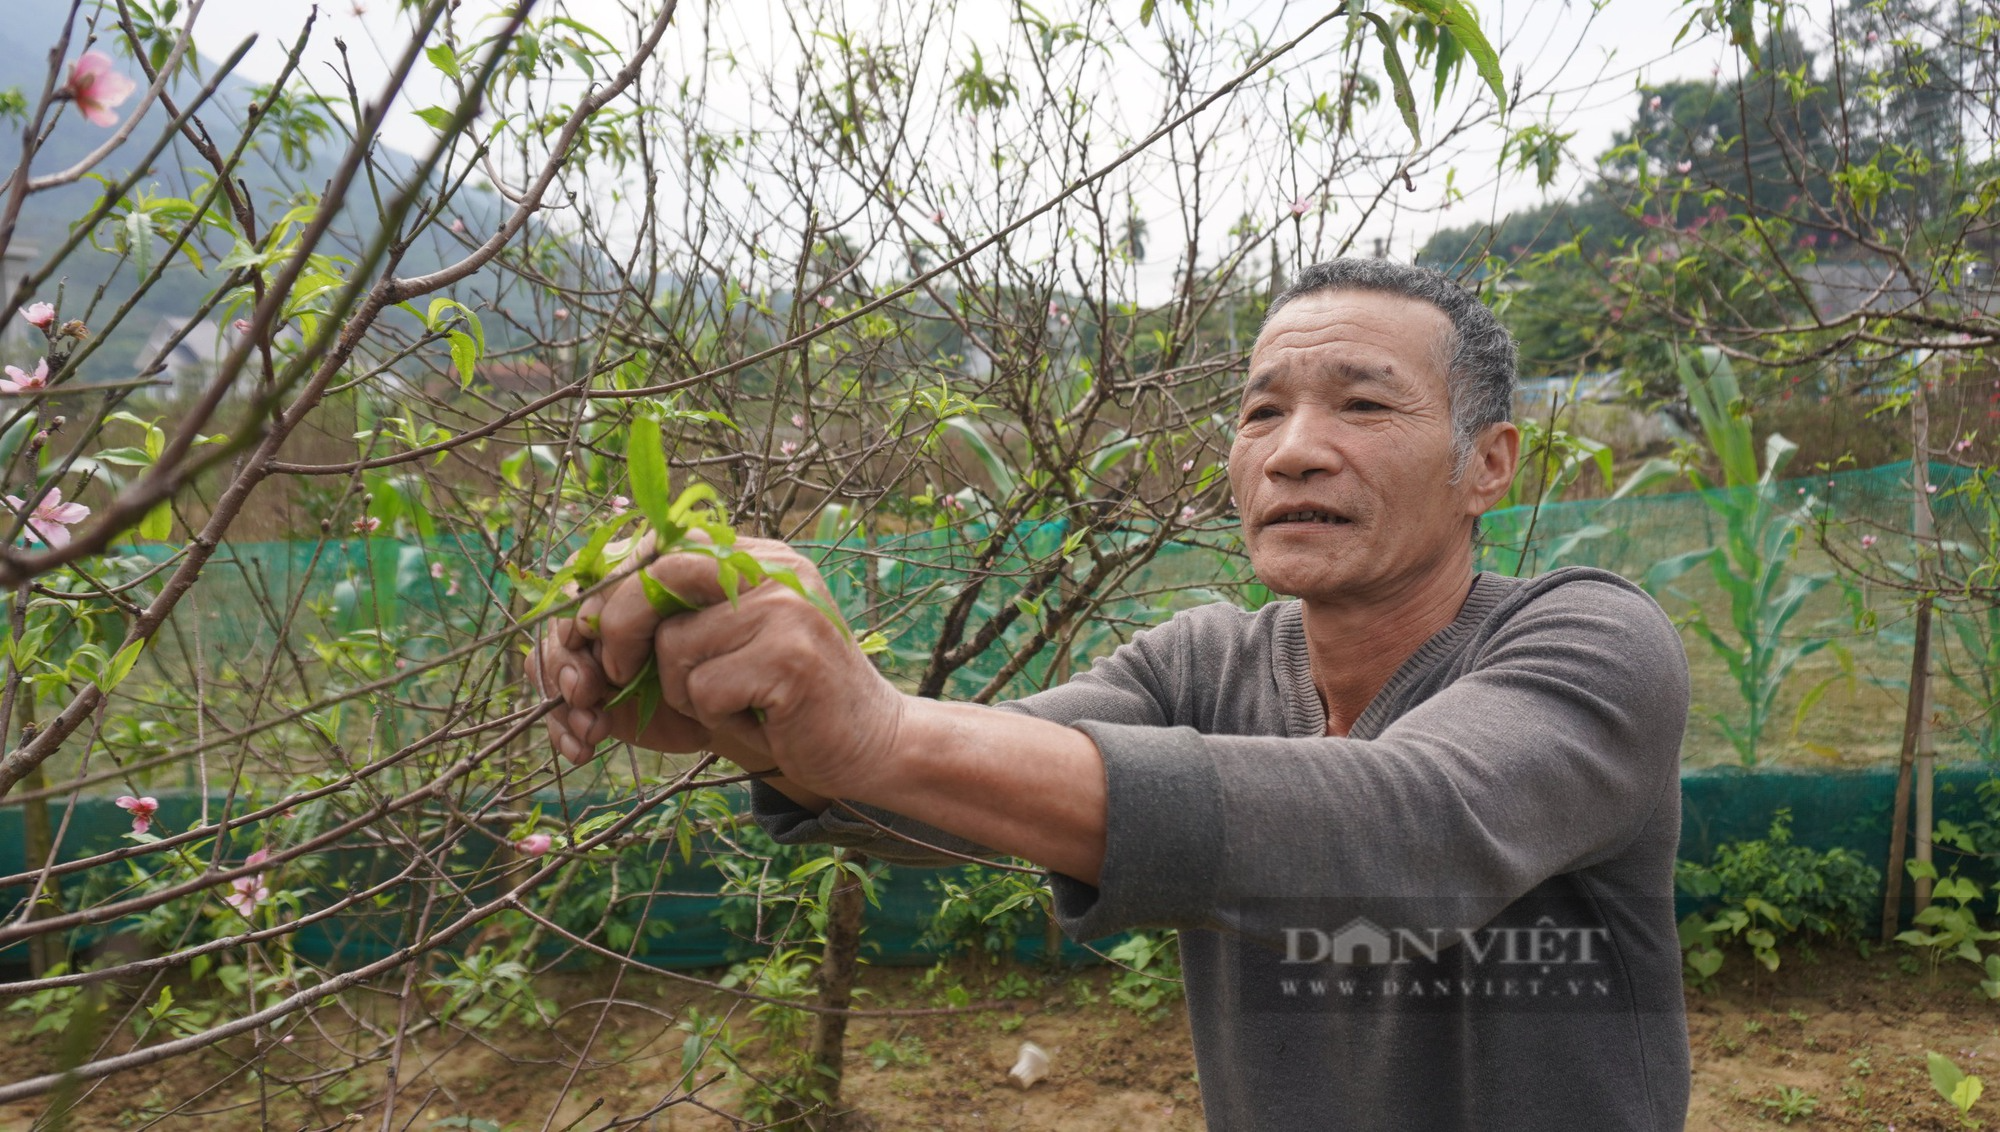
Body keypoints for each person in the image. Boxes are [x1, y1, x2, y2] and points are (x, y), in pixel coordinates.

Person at [528, 258, 1693, 1131]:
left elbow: (1405, 829)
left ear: (1487, 462)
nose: (1291, 450)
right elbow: (962, 776)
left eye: (1362, 404)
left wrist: (877, 725)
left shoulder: (1588, 641)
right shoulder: (1202, 665)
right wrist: (773, 730)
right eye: (1258, 411)